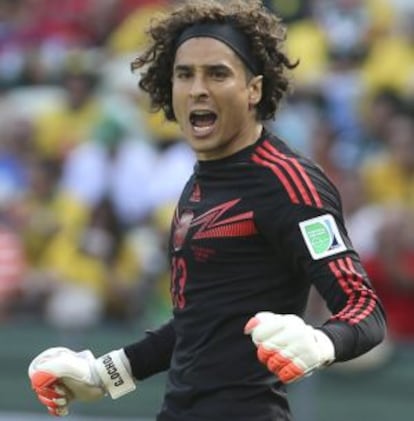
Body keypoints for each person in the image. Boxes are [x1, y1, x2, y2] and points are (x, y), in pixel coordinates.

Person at [27, 1, 386, 420]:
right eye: (185, 74)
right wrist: (103, 374)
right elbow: (198, 324)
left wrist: (323, 343)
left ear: (254, 89)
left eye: (217, 73)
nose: (198, 88)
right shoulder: (198, 183)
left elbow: (366, 310)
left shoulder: (290, 183)